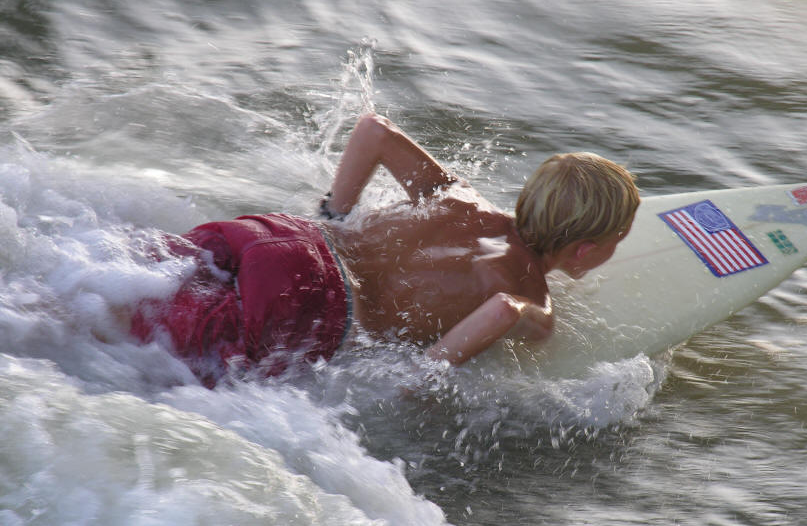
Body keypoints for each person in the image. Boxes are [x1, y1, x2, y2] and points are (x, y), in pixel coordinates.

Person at [131, 113, 640, 383]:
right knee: (150, 364)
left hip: (281, 235)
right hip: (312, 298)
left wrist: (334, 214)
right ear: (583, 251)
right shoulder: (531, 293)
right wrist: (421, 382)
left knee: (127, 292)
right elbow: (504, 310)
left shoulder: (461, 197)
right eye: (617, 242)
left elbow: (373, 130)